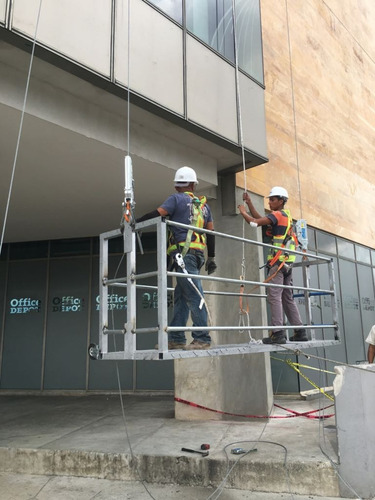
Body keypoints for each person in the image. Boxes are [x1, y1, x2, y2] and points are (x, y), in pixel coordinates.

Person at [137, 166, 216, 350]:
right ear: (193, 185)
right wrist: (211, 257)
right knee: (182, 297)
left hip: (184, 256)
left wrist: (136, 222)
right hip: (197, 255)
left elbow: (158, 214)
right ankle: (177, 338)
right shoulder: (204, 207)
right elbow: (210, 232)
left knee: (195, 296)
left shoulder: (175, 199)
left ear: (176, 186)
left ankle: (202, 338)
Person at [238, 187, 307, 344]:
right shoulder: (285, 216)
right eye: (269, 199)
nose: (269, 202)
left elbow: (255, 223)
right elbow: (262, 220)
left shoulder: (277, 215)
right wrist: (249, 204)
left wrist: (243, 211)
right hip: (287, 264)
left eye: (272, 199)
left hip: (278, 263)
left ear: (281, 201)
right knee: (287, 297)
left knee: (274, 296)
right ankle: (300, 331)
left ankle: (277, 333)